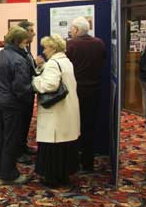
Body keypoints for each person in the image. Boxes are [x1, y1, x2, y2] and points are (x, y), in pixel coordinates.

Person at [32, 35, 80, 187]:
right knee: (64, 146)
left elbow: (49, 85)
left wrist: (34, 81)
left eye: (46, 47)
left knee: (53, 145)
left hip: (57, 112)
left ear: (52, 48)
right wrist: (41, 68)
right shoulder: (65, 61)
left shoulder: (53, 63)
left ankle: (52, 178)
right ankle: (63, 175)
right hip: (67, 110)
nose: (44, 51)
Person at [0, 26, 34, 185]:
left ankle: (1, 169)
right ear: (20, 41)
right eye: (25, 41)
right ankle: (9, 174)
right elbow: (21, 87)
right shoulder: (19, 60)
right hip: (12, 104)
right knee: (11, 139)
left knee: (2, 137)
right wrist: (34, 88)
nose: (27, 43)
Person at [66, 16, 106, 172]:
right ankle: (88, 162)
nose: (70, 31)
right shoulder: (99, 43)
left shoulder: (71, 45)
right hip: (94, 90)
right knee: (89, 126)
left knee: (73, 126)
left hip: (75, 91)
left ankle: (73, 161)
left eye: (71, 29)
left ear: (76, 30)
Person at [16, 20, 38, 160]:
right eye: (31, 31)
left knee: (25, 123)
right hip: (21, 96)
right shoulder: (17, 51)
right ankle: (18, 152)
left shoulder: (25, 49)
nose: (34, 33)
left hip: (28, 94)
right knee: (19, 125)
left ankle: (23, 147)